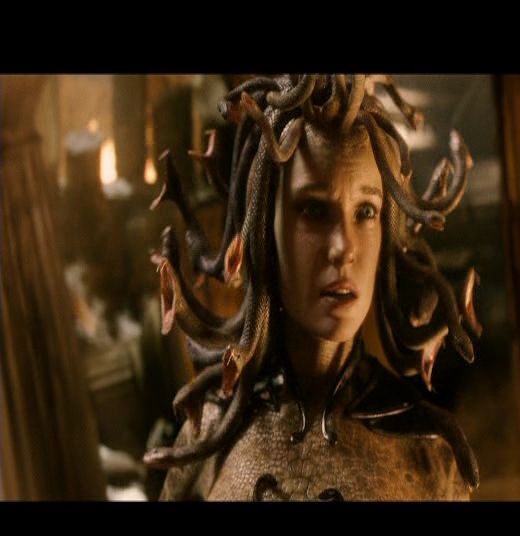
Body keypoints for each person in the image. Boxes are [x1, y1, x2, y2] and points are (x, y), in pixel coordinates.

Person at [143, 74, 482, 501]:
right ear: (264, 228)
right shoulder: (207, 442)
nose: (344, 248)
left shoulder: (428, 455)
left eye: (366, 211)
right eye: (314, 210)